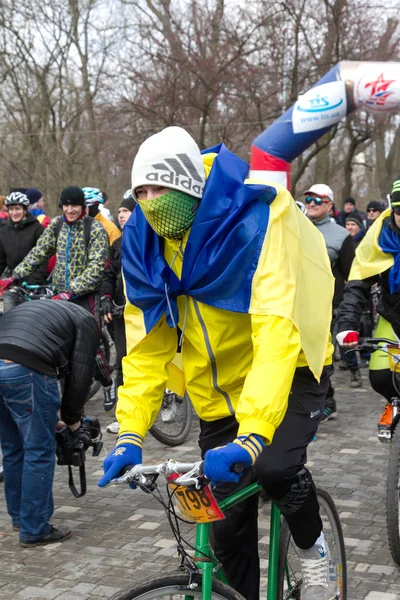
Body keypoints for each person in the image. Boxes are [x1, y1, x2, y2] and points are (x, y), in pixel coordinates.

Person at [98, 127, 336, 600]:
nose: (149, 202)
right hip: (216, 393)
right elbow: (146, 351)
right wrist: (130, 433)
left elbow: (275, 332)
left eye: (159, 189)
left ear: (189, 184)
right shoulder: (144, 244)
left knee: (272, 469)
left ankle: (316, 556)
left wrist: (253, 437)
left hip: (291, 373)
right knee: (226, 534)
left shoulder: (254, 222)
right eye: (141, 192)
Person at [0, 186, 116, 409]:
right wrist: (13, 277)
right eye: (66, 205)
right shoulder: (57, 225)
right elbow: (38, 253)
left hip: (86, 295)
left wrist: (71, 291)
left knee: (89, 349)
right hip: (59, 296)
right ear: (61, 206)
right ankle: (68, 401)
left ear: (83, 206)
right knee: (60, 348)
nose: (70, 210)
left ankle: (108, 381)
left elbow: (96, 268)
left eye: (75, 205)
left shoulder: (96, 229)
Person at [0, 299, 99, 546]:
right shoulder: (87, 322)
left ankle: (21, 519)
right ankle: (34, 530)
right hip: (27, 370)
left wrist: (50, 418)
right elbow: (80, 376)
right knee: (38, 451)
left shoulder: (38, 308)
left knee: (13, 449)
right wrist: (72, 419)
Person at [336, 177, 400, 442]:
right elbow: (358, 284)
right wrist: (347, 326)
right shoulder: (378, 237)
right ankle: (394, 402)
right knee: (381, 376)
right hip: (394, 315)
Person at [304, 184, 359, 407]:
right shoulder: (294, 226)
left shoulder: (341, 235)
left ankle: (327, 402)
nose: (311, 203)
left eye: (318, 200)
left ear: (329, 205)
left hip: (326, 306)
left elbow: (353, 275)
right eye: (308, 199)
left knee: (320, 355)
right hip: (293, 301)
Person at [101, 194, 136, 431]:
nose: (122, 215)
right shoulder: (117, 244)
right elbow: (109, 274)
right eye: (120, 211)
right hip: (120, 312)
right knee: (123, 361)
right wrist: (106, 297)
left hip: (145, 312)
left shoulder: (148, 240)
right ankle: (123, 416)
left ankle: (168, 395)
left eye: (127, 211)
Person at [0, 192, 47, 312]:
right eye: (11, 209)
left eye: (17, 209)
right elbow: (1, 260)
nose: (14, 213)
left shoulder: (37, 229)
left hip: (33, 286)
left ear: (25, 209)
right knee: (9, 318)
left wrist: (35, 280)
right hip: (13, 283)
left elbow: (43, 258)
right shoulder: (3, 232)